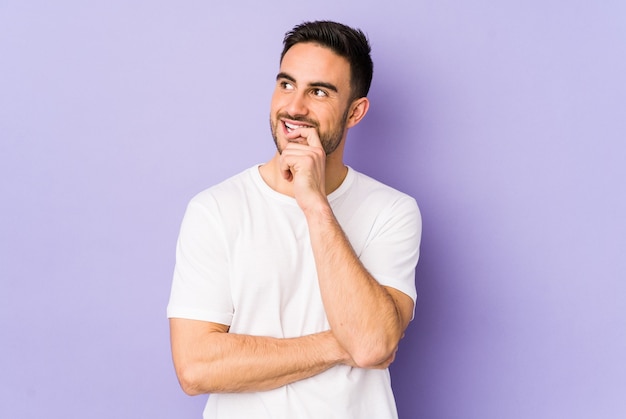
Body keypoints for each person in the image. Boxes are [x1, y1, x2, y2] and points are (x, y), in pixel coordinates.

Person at [167, 20, 422, 419]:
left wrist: (315, 205)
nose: (294, 106)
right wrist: (341, 344)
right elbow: (196, 367)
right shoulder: (215, 208)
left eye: (318, 91)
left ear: (355, 112)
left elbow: (372, 346)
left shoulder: (392, 211)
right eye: (286, 84)